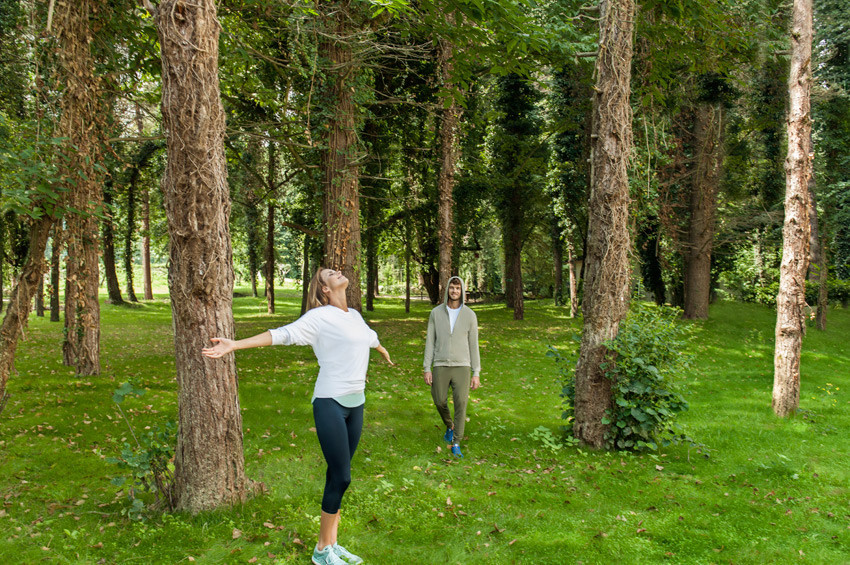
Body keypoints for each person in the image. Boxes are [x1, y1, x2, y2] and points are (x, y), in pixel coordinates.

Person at [202, 268, 393, 565]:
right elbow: (282, 334)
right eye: (330, 273)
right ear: (325, 289)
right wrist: (235, 344)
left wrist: (381, 350)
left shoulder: (354, 316)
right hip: (330, 402)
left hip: (357, 403)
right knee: (342, 476)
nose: (337, 271)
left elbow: (369, 337)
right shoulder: (319, 317)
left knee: (337, 475)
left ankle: (332, 543)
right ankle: (321, 551)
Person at [423, 276, 481, 458]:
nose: (454, 291)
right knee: (439, 400)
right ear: (447, 289)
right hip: (440, 363)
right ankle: (450, 425)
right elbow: (430, 341)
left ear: (462, 291)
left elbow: (474, 345)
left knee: (461, 403)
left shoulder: (470, 315)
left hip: (462, 365)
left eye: (458, 288)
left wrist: (476, 372)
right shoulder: (436, 313)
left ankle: (456, 442)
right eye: (452, 288)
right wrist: (427, 367)